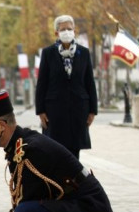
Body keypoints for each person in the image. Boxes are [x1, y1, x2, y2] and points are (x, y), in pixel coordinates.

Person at [35, 15, 97, 159]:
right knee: (54, 151)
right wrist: (40, 110)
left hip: (78, 110)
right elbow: (42, 83)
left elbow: (90, 83)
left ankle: (72, 181)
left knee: (74, 154)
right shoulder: (48, 53)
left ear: (74, 30)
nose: (67, 32)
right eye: (63, 29)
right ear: (56, 33)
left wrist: (93, 111)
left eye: (70, 29)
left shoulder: (84, 53)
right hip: (54, 112)